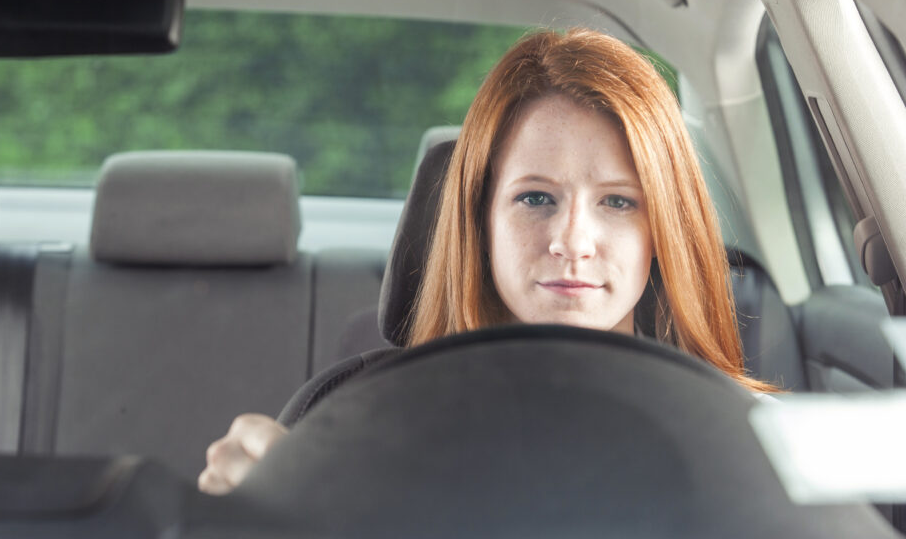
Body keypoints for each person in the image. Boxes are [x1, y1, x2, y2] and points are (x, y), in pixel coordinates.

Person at [197, 27, 775, 496]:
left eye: (618, 202)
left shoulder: (748, 437)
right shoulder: (342, 421)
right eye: (535, 198)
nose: (572, 240)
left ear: (662, 232)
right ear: (481, 221)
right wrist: (237, 517)